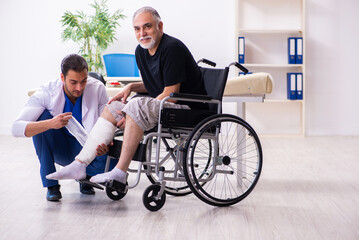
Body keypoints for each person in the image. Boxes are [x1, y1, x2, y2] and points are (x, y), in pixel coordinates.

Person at [46, 6, 207, 188]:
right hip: (167, 105)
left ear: (160, 26)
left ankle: (120, 172)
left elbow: (171, 94)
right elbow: (155, 84)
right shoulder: (141, 51)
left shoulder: (172, 49)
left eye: (147, 27)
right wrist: (131, 87)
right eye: (137, 29)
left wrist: (131, 112)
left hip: (189, 109)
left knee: (136, 105)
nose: (142, 33)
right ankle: (80, 164)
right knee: (113, 106)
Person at [12, 54, 116, 201]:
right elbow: (15, 128)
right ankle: (52, 185)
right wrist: (50, 123)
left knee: (114, 165)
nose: (79, 88)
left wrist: (104, 144)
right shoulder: (47, 92)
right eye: (73, 82)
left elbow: (105, 124)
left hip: (88, 150)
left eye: (83, 81)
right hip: (62, 149)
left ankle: (84, 178)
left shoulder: (97, 89)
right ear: (62, 77)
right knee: (42, 118)